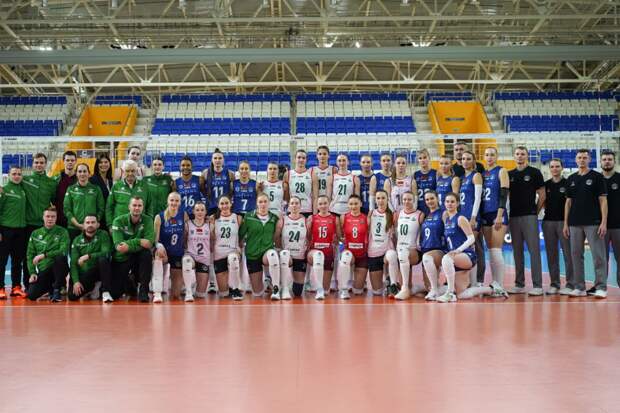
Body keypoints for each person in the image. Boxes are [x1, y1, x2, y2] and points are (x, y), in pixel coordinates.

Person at [563, 149, 608, 298]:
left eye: (585, 157)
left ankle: (601, 287)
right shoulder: (571, 178)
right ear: (576, 160)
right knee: (576, 255)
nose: (582, 160)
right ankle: (579, 287)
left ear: (589, 160)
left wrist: (603, 222)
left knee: (598, 255)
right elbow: (568, 203)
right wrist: (566, 223)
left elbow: (603, 201)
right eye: (579, 157)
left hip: (593, 222)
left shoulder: (597, 177)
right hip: (574, 223)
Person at [437, 193, 495, 303]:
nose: (449, 204)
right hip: (456, 258)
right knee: (462, 294)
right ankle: (491, 289)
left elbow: (471, 238)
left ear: (458, 203)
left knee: (446, 258)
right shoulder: (447, 220)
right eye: (447, 201)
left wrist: (458, 250)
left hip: (467, 255)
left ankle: (450, 293)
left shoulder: (460, 218)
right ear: (444, 203)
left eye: (452, 202)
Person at [507, 146, 545, 295]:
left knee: (534, 251)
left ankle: (538, 285)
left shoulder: (535, 172)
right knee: (517, 252)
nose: (520, 156)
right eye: (517, 154)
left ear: (527, 156)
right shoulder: (509, 174)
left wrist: (535, 212)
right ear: (514, 156)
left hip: (530, 216)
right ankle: (519, 284)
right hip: (514, 217)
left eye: (522, 154)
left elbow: (542, 194)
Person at [22, 153, 57, 289]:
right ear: (32, 164)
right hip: (29, 224)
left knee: (47, 257)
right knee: (28, 256)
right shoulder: (25, 180)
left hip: (45, 226)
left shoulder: (51, 183)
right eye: (36, 162)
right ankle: (28, 285)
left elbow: (54, 202)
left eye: (41, 163)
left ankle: (48, 285)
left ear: (46, 164)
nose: (39, 165)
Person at [110, 196, 154, 302]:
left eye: (139, 205)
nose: (137, 208)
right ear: (129, 207)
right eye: (134, 205)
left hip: (139, 256)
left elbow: (149, 243)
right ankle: (130, 282)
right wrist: (140, 241)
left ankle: (144, 291)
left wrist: (130, 243)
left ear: (143, 207)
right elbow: (119, 247)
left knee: (146, 254)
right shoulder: (118, 221)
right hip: (122, 257)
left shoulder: (148, 220)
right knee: (115, 294)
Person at [238, 193, 281, 299]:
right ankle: (267, 282)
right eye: (260, 202)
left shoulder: (274, 218)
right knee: (257, 293)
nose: (263, 204)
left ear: (269, 203)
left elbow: (277, 236)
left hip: (267, 251)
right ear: (256, 203)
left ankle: (276, 288)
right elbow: (241, 235)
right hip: (252, 254)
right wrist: (238, 248)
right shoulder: (248, 217)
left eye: (265, 201)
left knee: (272, 254)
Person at [542, 158, 574, 295]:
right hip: (548, 222)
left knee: (568, 254)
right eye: (552, 166)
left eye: (557, 166)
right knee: (551, 255)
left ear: (562, 168)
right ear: (549, 168)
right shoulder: (546, 185)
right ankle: (554, 284)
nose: (554, 169)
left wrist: (566, 223)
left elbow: (570, 203)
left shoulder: (568, 183)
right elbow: (543, 202)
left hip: (564, 223)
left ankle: (571, 284)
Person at [480, 147, 509, 294]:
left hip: (497, 213)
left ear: (496, 156)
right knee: (490, 250)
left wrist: (499, 214)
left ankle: (500, 284)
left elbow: (504, 194)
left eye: (492, 154)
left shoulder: (501, 171)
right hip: (485, 214)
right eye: (487, 155)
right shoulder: (482, 174)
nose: (489, 157)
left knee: (496, 249)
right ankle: (495, 283)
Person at [26, 207, 70, 302]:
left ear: (56, 218)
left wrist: (44, 255)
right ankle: (51, 288)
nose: (50, 219)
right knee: (31, 295)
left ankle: (57, 289)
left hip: (59, 268)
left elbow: (64, 250)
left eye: (53, 217)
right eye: (48, 216)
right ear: (43, 217)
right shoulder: (35, 233)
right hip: (44, 270)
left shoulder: (63, 232)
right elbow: (30, 255)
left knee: (60, 258)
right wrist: (32, 273)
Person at [153, 192, 189, 303]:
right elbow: (155, 239)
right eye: (172, 200)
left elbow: (186, 233)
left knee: (176, 294)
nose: (174, 203)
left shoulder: (183, 215)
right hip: (164, 252)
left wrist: (186, 248)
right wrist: (159, 246)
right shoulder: (159, 217)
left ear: (180, 202)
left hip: (177, 252)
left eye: (176, 201)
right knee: (158, 257)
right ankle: (157, 292)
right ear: (167, 201)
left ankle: (178, 286)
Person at [68, 215, 112, 302]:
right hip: (84, 273)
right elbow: (73, 263)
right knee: (72, 297)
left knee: (103, 260)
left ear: (98, 225)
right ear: (83, 225)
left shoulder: (103, 234)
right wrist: (76, 281)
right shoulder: (77, 240)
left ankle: (105, 291)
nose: (90, 225)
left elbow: (106, 253)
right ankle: (92, 288)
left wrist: (89, 256)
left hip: (97, 271)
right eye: (87, 222)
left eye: (93, 222)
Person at [0, 166, 27, 298]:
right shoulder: (3, 190)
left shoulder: (23, 190)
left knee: (17, 261)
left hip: (20, 230)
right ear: (9, 175)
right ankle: (0, 288)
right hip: (5, 230)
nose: (17, 176)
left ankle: (16, 287)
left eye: (19, 174)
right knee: (2, 260)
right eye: (14, 174)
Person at [391, 191, 424, 300]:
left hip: (413, 250)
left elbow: (423, 233)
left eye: (409, 199)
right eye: (404, 199)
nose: (407, 201)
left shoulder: (420, 214)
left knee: (404, 254)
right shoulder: (398, 214)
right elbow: (395, 233)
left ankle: (405, 289)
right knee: (395, 255)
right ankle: (413, 287)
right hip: (400, 249)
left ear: (413, 200)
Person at [307, 195, 340, 300]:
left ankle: (322, 288)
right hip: (315, 252)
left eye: (325, 203)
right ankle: (316, 287)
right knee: (318, 255)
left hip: (329, 253)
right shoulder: (312, 218)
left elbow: (339, 237)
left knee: (326, 291)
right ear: (317, 206)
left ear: (329, 204)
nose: (323, 206)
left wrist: (337, 242)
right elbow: (308, 236)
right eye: (320, 204)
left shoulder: (335, 219)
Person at [458, 150, 484, 284]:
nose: (465, 161)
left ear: (473, 161)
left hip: (472, 217)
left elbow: (478, 198)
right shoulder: (462, 178)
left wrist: (473, 217)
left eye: (468, 159)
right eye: (463, 159)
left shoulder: (476, 175)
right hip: (463, 216)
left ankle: (476, 282)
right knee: (468, 249)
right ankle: (468, 282)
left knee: (472, 248)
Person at [211, 196, 243, 300]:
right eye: (222, 203)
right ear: (218, 205)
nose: (224, 206)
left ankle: (236, 289)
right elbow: (211, 238)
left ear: (230, 204)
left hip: (233, 251)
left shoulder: (237, 218)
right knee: (223, 294)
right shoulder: (213, 218)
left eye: (226, 203)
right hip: (219, 254)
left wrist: (239, 248)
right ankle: (228, 288)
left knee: (232, 258)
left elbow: (241, 235)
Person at [277, 196, 309, 299]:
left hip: (300, 257)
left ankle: (291, 285)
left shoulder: (306, 220)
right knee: (284, 255)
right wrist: (281, 250)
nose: (294, 205)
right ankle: (285, 287)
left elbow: (309, 238)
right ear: (289, 206)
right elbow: (276, 237)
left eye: (296, 203)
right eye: (292, 203)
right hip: (287, 256)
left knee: (297, 292)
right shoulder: (283, 220)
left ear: (300, 206)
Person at [417, 191, 447, 301]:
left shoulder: (443, 213)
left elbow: (449, 230)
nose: (430, 201)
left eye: (432, 198)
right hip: (426, 249)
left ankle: (440, 289)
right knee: (428, 287)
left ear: (437, 198)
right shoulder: (426, 215)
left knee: (428, 258)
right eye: (427, 199)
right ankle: (445, 289)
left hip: (438, 249)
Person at [337, 195, 368, 299]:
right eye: (351, 204)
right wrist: (342, 249)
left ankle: (359, 284)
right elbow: (340, 237)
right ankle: (344, 289)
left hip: (362, 254)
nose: (353, 206)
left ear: (361, 204)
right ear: (348, 205)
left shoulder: (366, 218)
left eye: (356, 204)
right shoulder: (344, 217)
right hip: (349, 251)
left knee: (358, 291)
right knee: (345, 257)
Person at [63, 163, 105, 240]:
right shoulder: (71, 189)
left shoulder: (96, 189)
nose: (82, 174)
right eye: (80, 171)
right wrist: (77, 224)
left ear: (89, 174)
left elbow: (101, 209)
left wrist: (94, 222)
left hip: (92, 228)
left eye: (85, 171)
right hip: (73, 228)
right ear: (76, 174)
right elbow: (67, 209)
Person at [106, 160, 149, 227]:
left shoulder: (144, 186)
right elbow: (109, 207)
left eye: (133, 171)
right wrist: (110, 224)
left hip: (140, 226)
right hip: (120, 225)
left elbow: (149, 206)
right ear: (123, 172)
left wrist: (148, 223)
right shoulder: (116, 186)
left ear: (136, 171)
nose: (130, 173)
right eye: (127, 171)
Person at [367, 190, 394, 296]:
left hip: (387, 251)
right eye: (378, 198)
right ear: (375, 200)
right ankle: (385, 283)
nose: (381, 200)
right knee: (377, 291)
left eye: (383, 198)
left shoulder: (392, 215)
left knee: (392, 256)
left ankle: (392, 283)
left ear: (387, 199)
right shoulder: (371, 213)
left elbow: (395, 235)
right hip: (373, 251)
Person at [185, 201, 212, 299]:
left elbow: (213, 242)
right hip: (191, 256)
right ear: (193, 211)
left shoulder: (210, 225)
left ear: (205, 212)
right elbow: (183, 240)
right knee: (186, 261)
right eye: (197, 210)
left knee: (201, 295)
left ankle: (193, 285)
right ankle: (188, 291)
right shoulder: (188, 224)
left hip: (204, 259)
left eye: (202, 210)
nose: (200, 212)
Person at [601, 150, 620, 288]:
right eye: (604, 159)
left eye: (609, 159)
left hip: (618, 226)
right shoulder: (596, 179)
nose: (607, 162)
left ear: (614, 161)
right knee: (601, 259)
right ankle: (601, 287)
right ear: (601, 162)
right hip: (600, 227)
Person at [203, 149, 234, 216]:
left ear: (223, 160)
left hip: (224, 206)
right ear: (212, 160)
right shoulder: (206, 173)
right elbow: (202, 188)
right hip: (211, 206)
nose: (217, 160)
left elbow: (232, 190)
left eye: (220, 158)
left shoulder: (230, 173)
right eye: (215, 158)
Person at [285, 149, 313, 217]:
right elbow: (286, 195)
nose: (301, 160)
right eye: (299, 157)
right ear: (295, 159)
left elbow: (315, 196)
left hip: (307, 210)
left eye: (303, 158)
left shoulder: (311, 173)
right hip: (292, 210)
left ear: (306, 160)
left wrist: (314, 214)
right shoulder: (288, 174)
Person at [54, 150, 77, 227]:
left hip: (75, 219)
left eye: (72, 160)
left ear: (75, 161)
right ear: (63, 161)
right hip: (59, 219)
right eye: (67, 160)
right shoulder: (56, 179)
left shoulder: (80, 179)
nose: (70, 162)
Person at [311, 145, 336, 213]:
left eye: (324, 154)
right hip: (317, 202)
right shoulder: (311, 170)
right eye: (320, 154)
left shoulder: (334, 170)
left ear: (328, 156)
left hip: (329, 202)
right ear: (317, 156)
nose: (322, 156)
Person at [414, 149, 437, 216]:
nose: (422, 160)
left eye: (424, 157)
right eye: (420, 158)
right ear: (418, 160)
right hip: (420, 208)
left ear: (429, 158)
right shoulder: (415, 175)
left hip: (432, 207)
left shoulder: (435, 173)